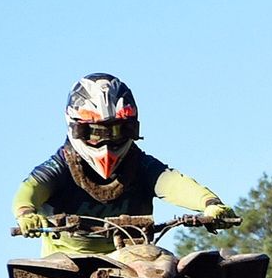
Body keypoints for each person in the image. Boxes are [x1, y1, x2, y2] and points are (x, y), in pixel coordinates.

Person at [13, 73, 234, 255]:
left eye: (118, 131)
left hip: (134, 256)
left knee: (182, 269)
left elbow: (173, 183)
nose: (107, 142)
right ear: (75, 128)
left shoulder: (139, 165)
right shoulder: (61, 166)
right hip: (67, 258)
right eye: (96, 132)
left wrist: (209, 203)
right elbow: (31, 189)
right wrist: (26, 214)